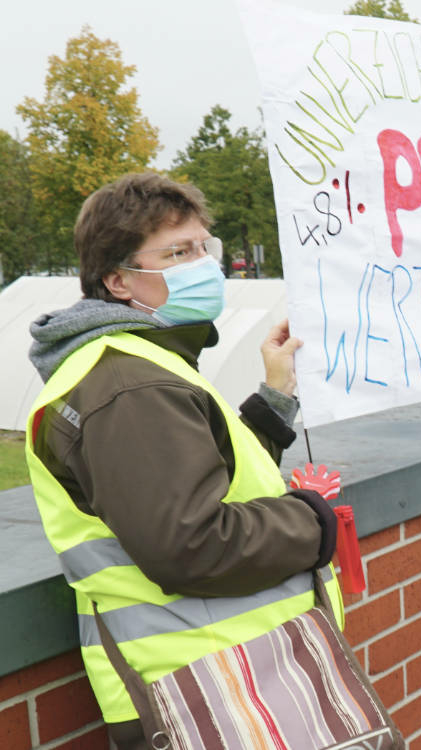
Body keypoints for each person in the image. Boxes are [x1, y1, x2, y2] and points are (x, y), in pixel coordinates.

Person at [25, 173, 341, 749]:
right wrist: (314, 523)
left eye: (205, 248)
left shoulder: (137, 365)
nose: (206, 265)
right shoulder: (128, 385)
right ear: (119, 281)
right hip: (212, 694)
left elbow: (201, 478)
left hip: (228, 681)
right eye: (178, 253)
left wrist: (274, 399)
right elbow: (192, 544)